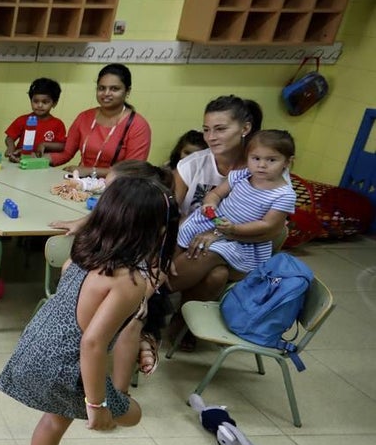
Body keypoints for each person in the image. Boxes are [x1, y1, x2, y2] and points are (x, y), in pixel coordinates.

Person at [0, 176, 171, 445]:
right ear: (152, 230)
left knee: (54, 418)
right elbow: (92, 343)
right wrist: (97, 405)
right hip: (67, 365)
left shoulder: (85, 250)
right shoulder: (130, 280)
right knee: (132, 415)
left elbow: (78, 297)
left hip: (37, 343)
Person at [49, 160, 176, 383]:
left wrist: (135, 303)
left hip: (136, 297)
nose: (106, 197)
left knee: (133, 322)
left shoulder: (152, 233)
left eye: (111, 191)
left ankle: (121, 390)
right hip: (95, 300)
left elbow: (158, 273)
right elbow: (70, 272)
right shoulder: (105, 229)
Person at [170, 95, 279, 350]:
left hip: (244, 249)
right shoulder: (192, 164)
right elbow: (169, 210)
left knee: (210, 255)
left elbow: (273, 230)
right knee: (215, 276)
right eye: (206, 130)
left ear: (245, 129)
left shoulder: (265, 168)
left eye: (220, 129)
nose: (211, 137)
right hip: (190, 243)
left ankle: (146, 297)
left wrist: (219, 234)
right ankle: (182, 319)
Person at [172, 130, 296, 293]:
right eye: (256, 158)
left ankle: (164, 288)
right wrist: (210, 204)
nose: (262, 165)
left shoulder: (284, 194)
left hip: (243, 241)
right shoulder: (242, 175)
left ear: (287, 162)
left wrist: (233, 230)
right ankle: (165, 276)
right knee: (182, 230)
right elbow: (216, 194)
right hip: (217, 223)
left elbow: (266, 225)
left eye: (271, 160)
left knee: (206, 251)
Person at [42, 64, 151, 174]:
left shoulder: (138, 125)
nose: (106, 93)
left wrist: (90, 171)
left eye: (114, 89)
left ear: (127, 91)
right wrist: (37, 160)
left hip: (116, 187)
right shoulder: (84, 117)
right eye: (101, 88)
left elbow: (133, 171)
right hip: (80, 183)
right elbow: (66, 152)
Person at [4, 78, 66, 162]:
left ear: (54, 103)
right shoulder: (22, 119)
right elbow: (9, 138)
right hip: (19, 162)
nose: (39, 105)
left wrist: (44, 145)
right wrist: (11, 147)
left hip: (41, 164)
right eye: (35, 101)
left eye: (45, 102)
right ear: (31, 101)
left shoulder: (58, 124)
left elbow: (62, 146)